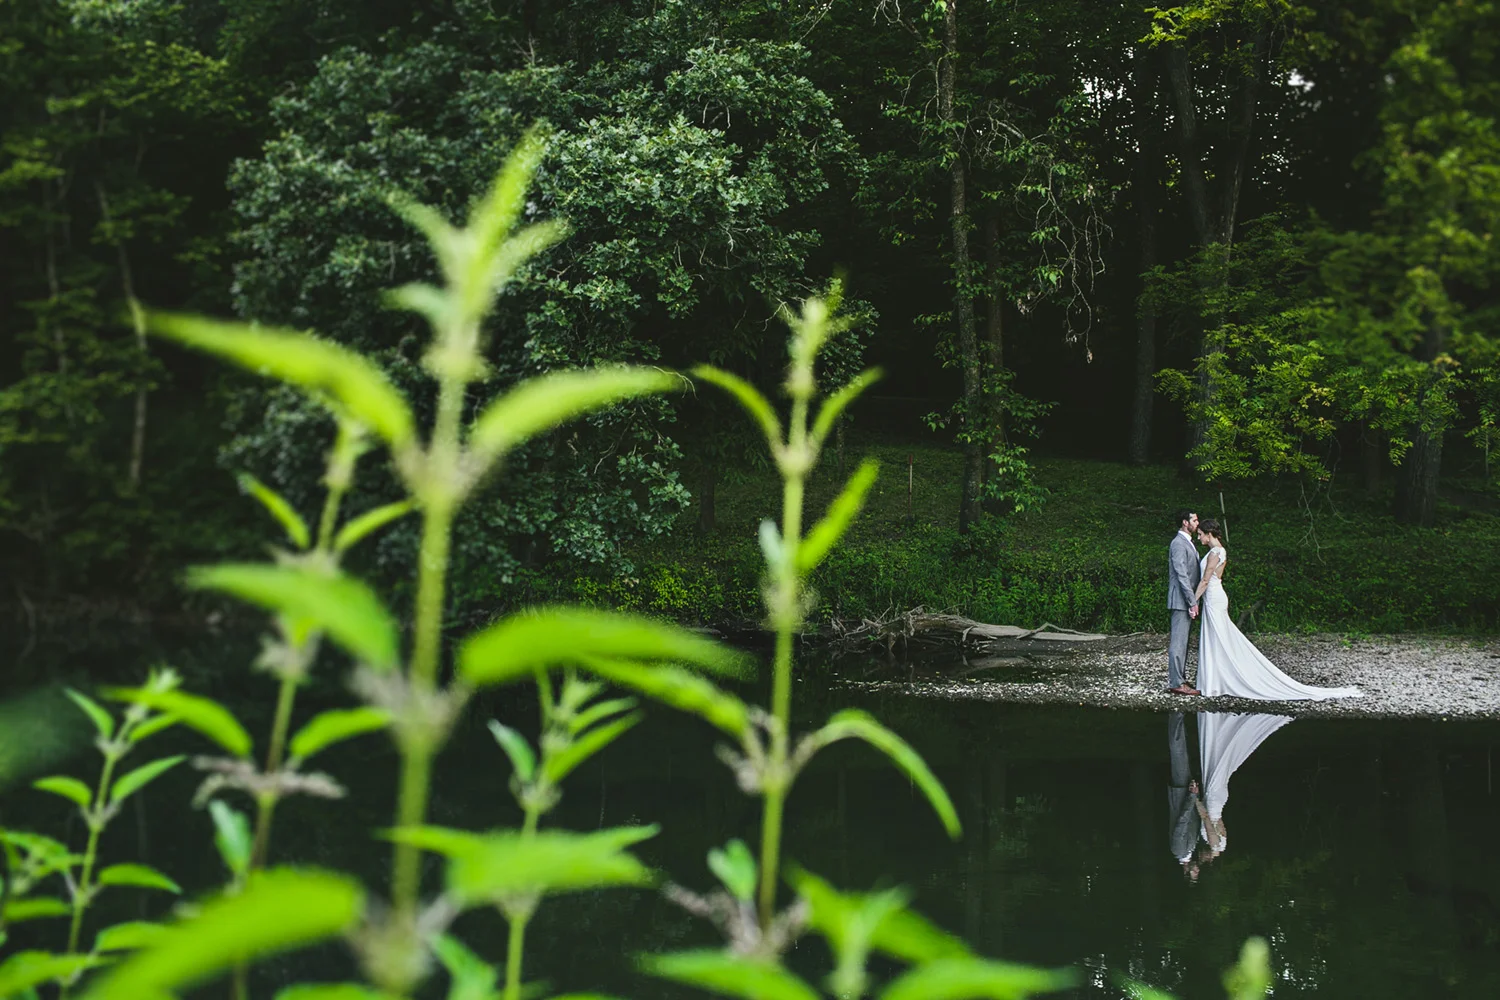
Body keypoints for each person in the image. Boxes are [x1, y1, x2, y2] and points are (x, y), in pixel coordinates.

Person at [1192, 518, 1361, 700]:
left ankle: (1219, 681)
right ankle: (1216, 680)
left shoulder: (1215, 553)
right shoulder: (1219, 551)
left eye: (1200, 534)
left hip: (1214, 598)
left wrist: (1193, 601)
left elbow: (1206, 580)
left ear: (1209, 534)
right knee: (1217, 638)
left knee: (1219, 638)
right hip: (1214, 597)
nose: (1199, 538)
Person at [1166, 509, 1202, 696]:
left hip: (1185, 599)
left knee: (1183, 641)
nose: (1197, 523)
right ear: (1185, 522)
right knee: (1178, 642)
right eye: (1194, 520)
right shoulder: (1178, 543)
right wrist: (1191, 600)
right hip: (1181, 600)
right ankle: (1177, 683)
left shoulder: (1188, 542)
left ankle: (1180, 678)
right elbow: (1181, 574)